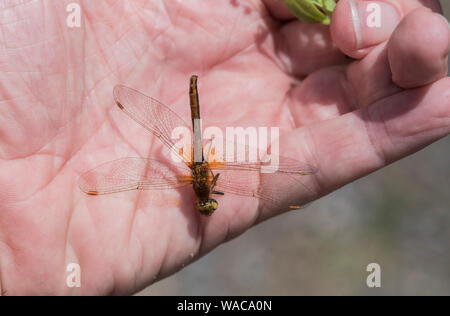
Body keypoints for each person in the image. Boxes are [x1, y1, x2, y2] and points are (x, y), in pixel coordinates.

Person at [0, 0, 448, 295]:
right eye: (208, 203)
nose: (207, 204)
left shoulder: (202, 181)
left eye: (206, 204)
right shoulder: (200, 180)